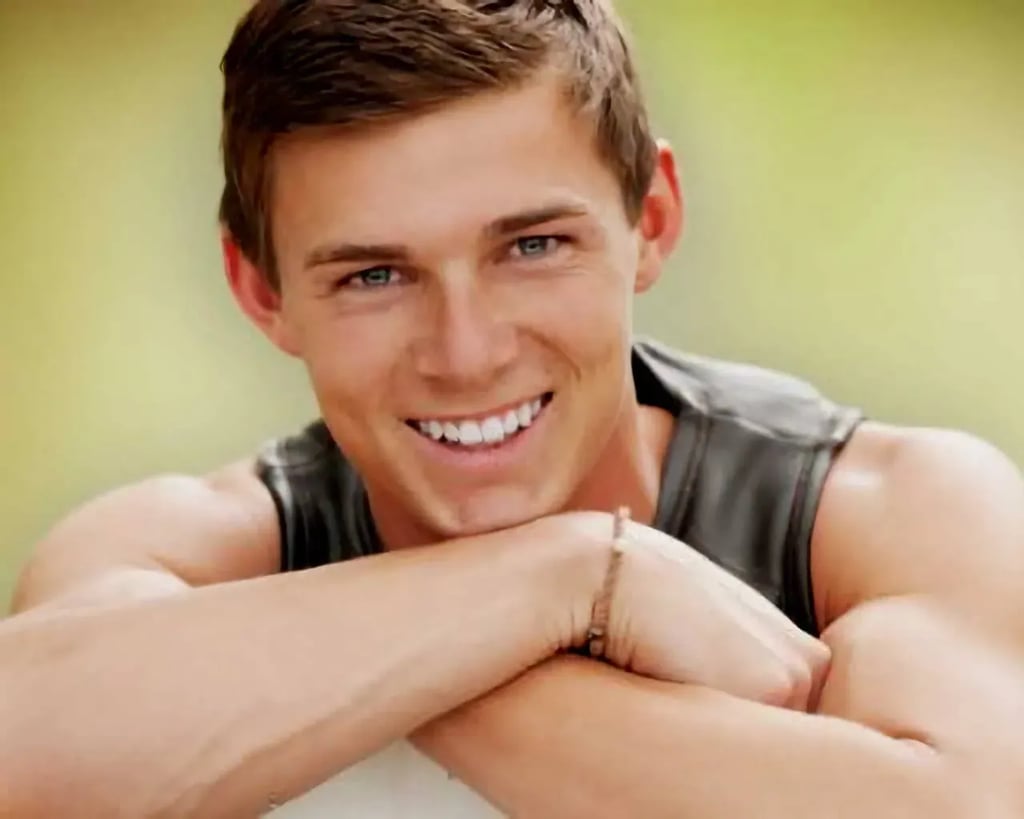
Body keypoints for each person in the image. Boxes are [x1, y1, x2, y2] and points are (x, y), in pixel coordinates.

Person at [3, 1, 1023, 816]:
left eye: (531, 247)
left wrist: (390, 654)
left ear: (651, 220)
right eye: (372, 275)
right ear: (263, 291)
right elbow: (29, 748)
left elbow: (964, 805)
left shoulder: (885, 513)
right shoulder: (194, 541)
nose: (466, 351)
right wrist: (574, 575)